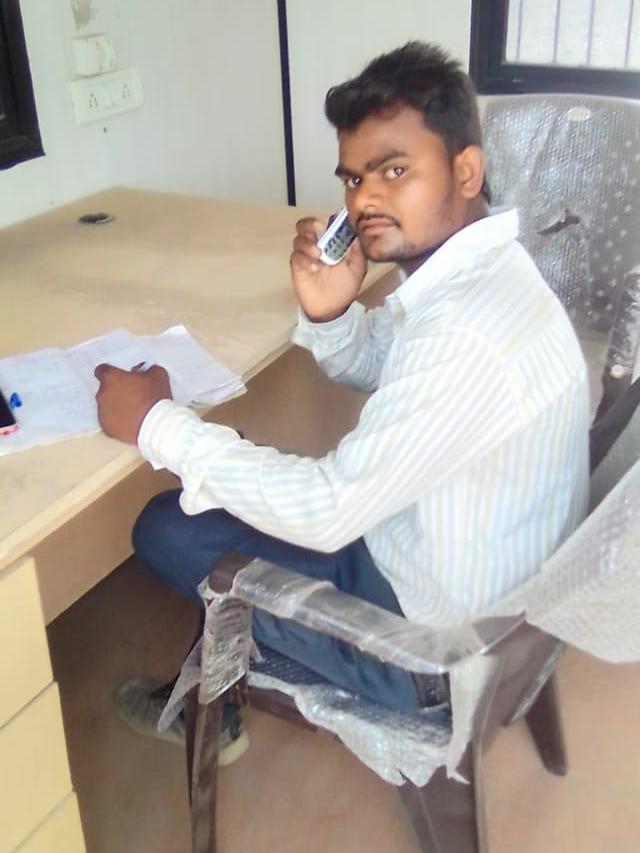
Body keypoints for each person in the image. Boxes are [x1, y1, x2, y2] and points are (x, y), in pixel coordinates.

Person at [95, 42, 590, 764]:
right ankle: (220, 677)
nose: (364, 201)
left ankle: (214, 707)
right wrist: (330, 314)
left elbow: (328, 512)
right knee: (233, 478)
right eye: (354, 178)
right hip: (461, 579)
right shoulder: (485, 275)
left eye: (395, 170)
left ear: (465, 170)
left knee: (168, 525)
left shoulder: (465, 334)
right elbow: (391, 367)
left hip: (427, 651)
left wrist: (154, 424)